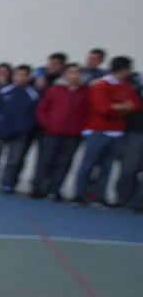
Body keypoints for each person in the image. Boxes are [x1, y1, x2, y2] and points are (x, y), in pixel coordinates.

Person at [73, 56, 142, 205]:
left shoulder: (127, 87)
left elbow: (136, 106)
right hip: (98, 130)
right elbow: (102, 109)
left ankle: (99, 196)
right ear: (123, 70)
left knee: (107, 167)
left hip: (116, 131)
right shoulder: (101, 86)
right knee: (88, 165)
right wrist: (123, 107)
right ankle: (79, 194)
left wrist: (117, 107)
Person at [0, 65, 39, 193]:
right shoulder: (3, 91)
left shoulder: (33, 95)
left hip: (19, 134)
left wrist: (24, 128)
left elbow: (34, 116)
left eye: (23, 75)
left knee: (14, 161)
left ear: (29, 77)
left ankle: (7, 183)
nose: (19, 78)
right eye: (17, 74)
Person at [32, 64, 87, 200]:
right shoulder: (54, 90)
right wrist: (48, 124)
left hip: (73, 134)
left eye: (76, 72)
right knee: (45, 160)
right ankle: (38, 187)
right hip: (52, 132)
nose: (74, 75)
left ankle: (55, 189)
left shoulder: (85, 92)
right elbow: (42, 109)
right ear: (65, 75)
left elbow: (87, 113)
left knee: (64, 163)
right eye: (70, 72)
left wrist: (81, 128)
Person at [117, 59, 143, 211]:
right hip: (135, 133)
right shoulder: (134, 90)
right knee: (129, 169)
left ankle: (139, 202)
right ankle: (124, 199)